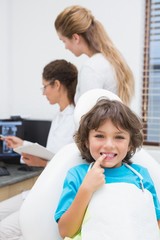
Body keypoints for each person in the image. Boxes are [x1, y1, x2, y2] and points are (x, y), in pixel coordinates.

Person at [54, 98, 160, 240]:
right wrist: (86, 189)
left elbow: (154, 225)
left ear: (130, 144)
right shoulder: (78, 175)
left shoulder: (141, 176)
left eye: (119, 137)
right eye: (99, 136)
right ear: (86, 141)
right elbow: (65, 231)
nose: (109, 145)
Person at [0, 59, 78, 240]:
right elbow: (52, 152)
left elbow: (69, 166)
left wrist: (41, 162)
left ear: (57, 85)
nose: (44, 93)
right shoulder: (59, 116)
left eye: (45, 87)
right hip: (39, 190)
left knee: (3, 231)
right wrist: (22, 144)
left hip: (54, 196)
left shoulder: (75, 120)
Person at [54, 5, 134, 105]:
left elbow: (89, 115)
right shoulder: (109, 61)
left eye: (64, 41)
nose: (65, 47)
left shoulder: (91, 68)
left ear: (75, 38)